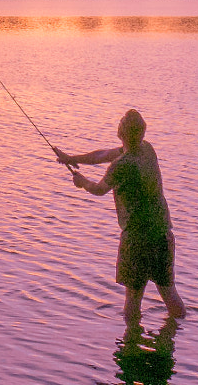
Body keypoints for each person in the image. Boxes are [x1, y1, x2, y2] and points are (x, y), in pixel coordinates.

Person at [54, 109, 187, 324]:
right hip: (163, 235)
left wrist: (82, 182)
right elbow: (102, 155)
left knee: (133, 300)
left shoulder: (122, 166)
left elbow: (99, 189)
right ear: (141, 133)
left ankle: (131, 344)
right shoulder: (147, 150)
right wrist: (71, 158)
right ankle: (176, 337)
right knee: (170, 294)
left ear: (120, 132)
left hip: (136, 239)